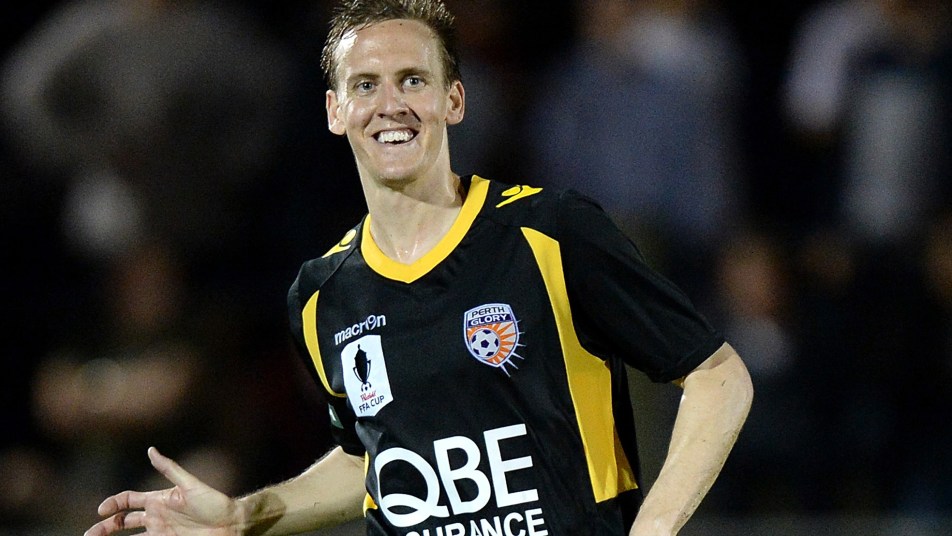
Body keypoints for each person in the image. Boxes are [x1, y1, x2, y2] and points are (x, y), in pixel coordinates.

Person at [84, 1, 753, 535]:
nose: (391, 104)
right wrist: (243, 515)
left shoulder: (550, 232)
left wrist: (655, 526)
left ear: (454, 100)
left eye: (413, 79)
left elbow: (718, 375)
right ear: (335, 111)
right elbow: (373, 457)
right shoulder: (322, 295)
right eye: (365, 85)